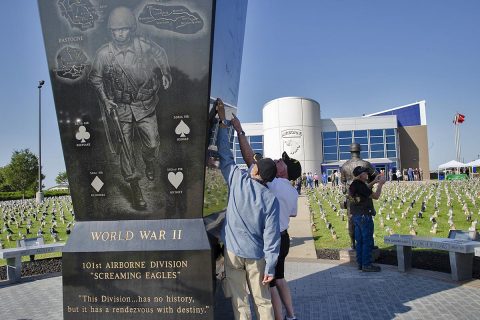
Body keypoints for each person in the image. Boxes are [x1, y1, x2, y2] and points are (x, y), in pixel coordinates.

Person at [89, 6, 172, 209]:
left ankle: (149, 161)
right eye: (116, 30)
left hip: (144, 103)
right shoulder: (104, 54)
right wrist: (105, 99)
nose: (120, 33)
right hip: (121, 108)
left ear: (131, 29)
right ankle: (135, 187)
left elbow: (160, 53)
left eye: (124, 29)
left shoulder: (143, 46)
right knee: (126, 150)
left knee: (152, 142)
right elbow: (95, 78)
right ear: (111, 31)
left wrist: (165, 72)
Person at [231, 114, 301, 320]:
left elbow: (251, 160)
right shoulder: (292, 191)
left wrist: (239, 131)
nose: (279, 160)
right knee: (280, 279)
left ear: (285, 172)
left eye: (283, 161)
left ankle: (278, 317)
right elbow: (293, 213)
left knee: (268, 284)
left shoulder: (274, 183)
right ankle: (291, 314)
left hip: (271, 240)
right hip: (284, 237)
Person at [216, 99, 280, 320]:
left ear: (255, 171)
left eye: (254, 164)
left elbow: (225, 154)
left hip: (233, 252)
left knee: (240, 302)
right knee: (263, 302)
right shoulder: (271, 200)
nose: (251, 164)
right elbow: (272, 237)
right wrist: (271, 267)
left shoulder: (237, 180)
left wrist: (224, 123)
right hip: (257, 256)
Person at [348, 166, 385, 272]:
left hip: (356, 216)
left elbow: (364, 190)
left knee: (359, 241)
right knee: (367, 241)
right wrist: (380, 184)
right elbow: (376, 196)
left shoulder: (355, 184)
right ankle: (367, 265)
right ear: (361, 175)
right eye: (365, 173)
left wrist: (374, 181)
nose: (367, 174)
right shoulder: (360, 185)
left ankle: (360, 263)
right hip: (364, 216)